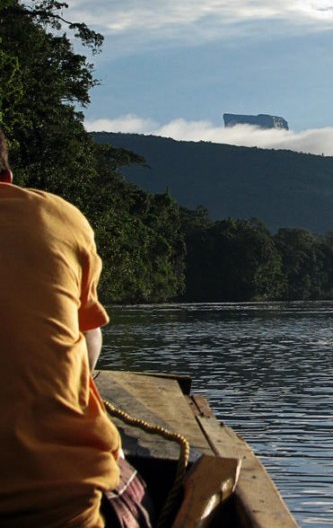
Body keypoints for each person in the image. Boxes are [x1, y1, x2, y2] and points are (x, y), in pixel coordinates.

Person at [0, 128, 152, 527]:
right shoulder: (56, 217)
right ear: (7, 176)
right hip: (59, 507)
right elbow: (88, 342)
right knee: (131, 487)